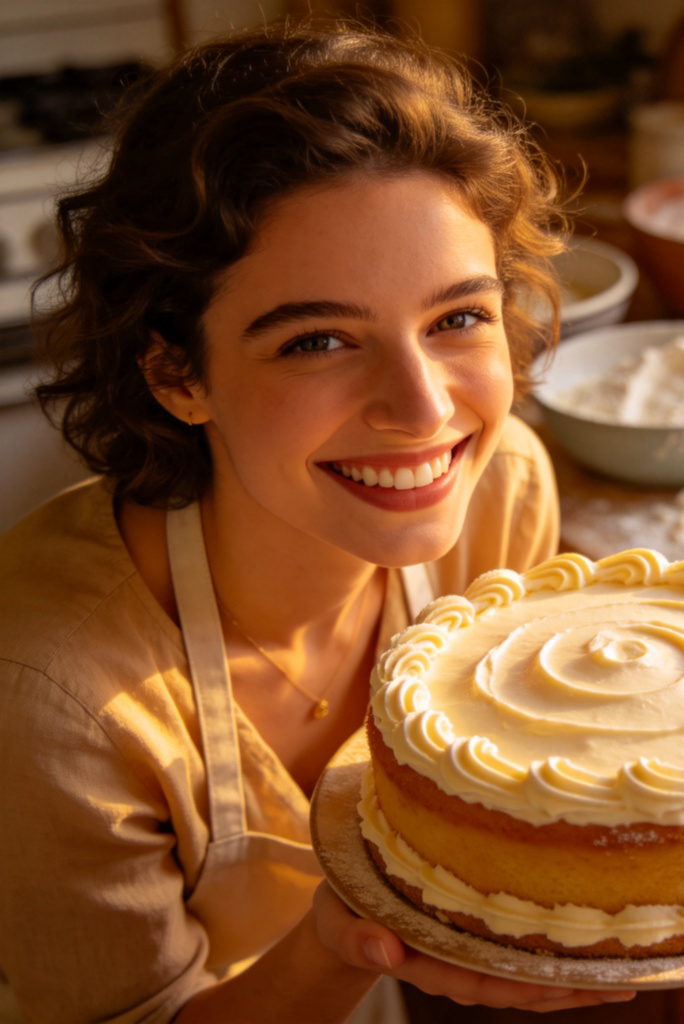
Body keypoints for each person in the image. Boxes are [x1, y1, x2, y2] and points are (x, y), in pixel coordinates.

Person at [0, 19, 637, 1022]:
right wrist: (342, 947)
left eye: (458, 317)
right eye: (319, 339)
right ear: (177, 372)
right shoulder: (52, 696)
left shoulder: (500, 492)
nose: (424, 409)